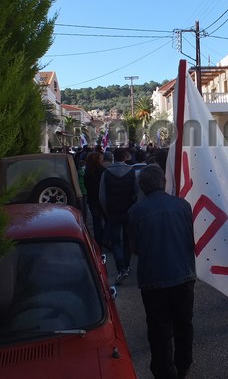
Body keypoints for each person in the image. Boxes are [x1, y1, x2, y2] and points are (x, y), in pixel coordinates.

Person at [128, 164, 196, 379]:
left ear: (142, 186)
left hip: (153, 279)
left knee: (159, 330)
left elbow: (134, 248)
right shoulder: (183, 205)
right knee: (183, 323)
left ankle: (164, 371)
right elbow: (191, 238)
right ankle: (183, 365)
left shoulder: (136, 211)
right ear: (163, 183)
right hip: (183, 275)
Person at [99, 147, 138, 285]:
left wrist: (107, 211)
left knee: (116, 241)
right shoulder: (132, 172)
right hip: (128, 210)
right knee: (127, 240)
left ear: (114, 158)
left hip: (113, 211)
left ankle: (121, 268)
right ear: (125, 157)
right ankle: (126, 266)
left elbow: (102, 196)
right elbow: (136, 192)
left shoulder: (106, 173)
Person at [84, 151, 107, 248]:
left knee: (96, 222)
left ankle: (98, 243)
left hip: (92, 199)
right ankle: (105, 238)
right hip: (102, 198)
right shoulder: (103, 171)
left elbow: (86, 185)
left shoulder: (87, 172)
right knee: (107, 219)